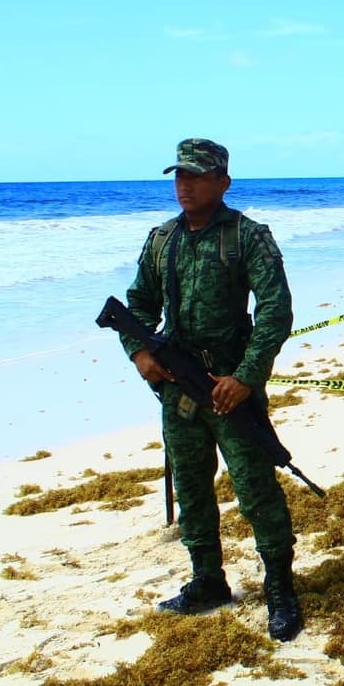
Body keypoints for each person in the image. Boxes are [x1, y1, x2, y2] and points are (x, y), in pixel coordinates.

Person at [117, 138, 303, 641]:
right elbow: (137, 306)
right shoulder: (162, 240)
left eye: (197, 176)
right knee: (192, 487)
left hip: (230, 387)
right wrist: (140, 355)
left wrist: (246, 377)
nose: (186, 185)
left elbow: (275, 310)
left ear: (223, 181)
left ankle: (281, 588)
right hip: (179, 391)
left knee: (256, 488)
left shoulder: (247, 237)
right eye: (179, 176)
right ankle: (207, 580)